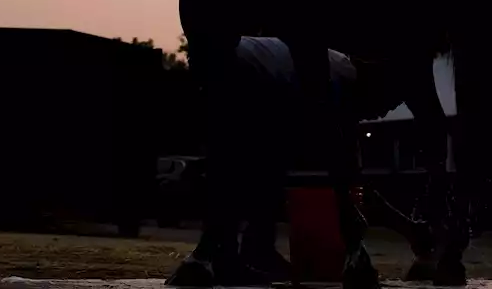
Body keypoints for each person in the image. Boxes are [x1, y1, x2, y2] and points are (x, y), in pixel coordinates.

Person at [167, 36, 440, 286]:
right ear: (375, 83)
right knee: (259, 169)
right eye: (387, 103)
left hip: (221, 64)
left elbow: (353, 187)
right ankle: (227, 254)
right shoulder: (337, 82)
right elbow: (347, 182)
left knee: (254, 166)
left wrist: (408, 228)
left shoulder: (334, 69)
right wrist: (404, 232)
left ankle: (222, 257)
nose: (383, 113)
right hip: (246, 73)